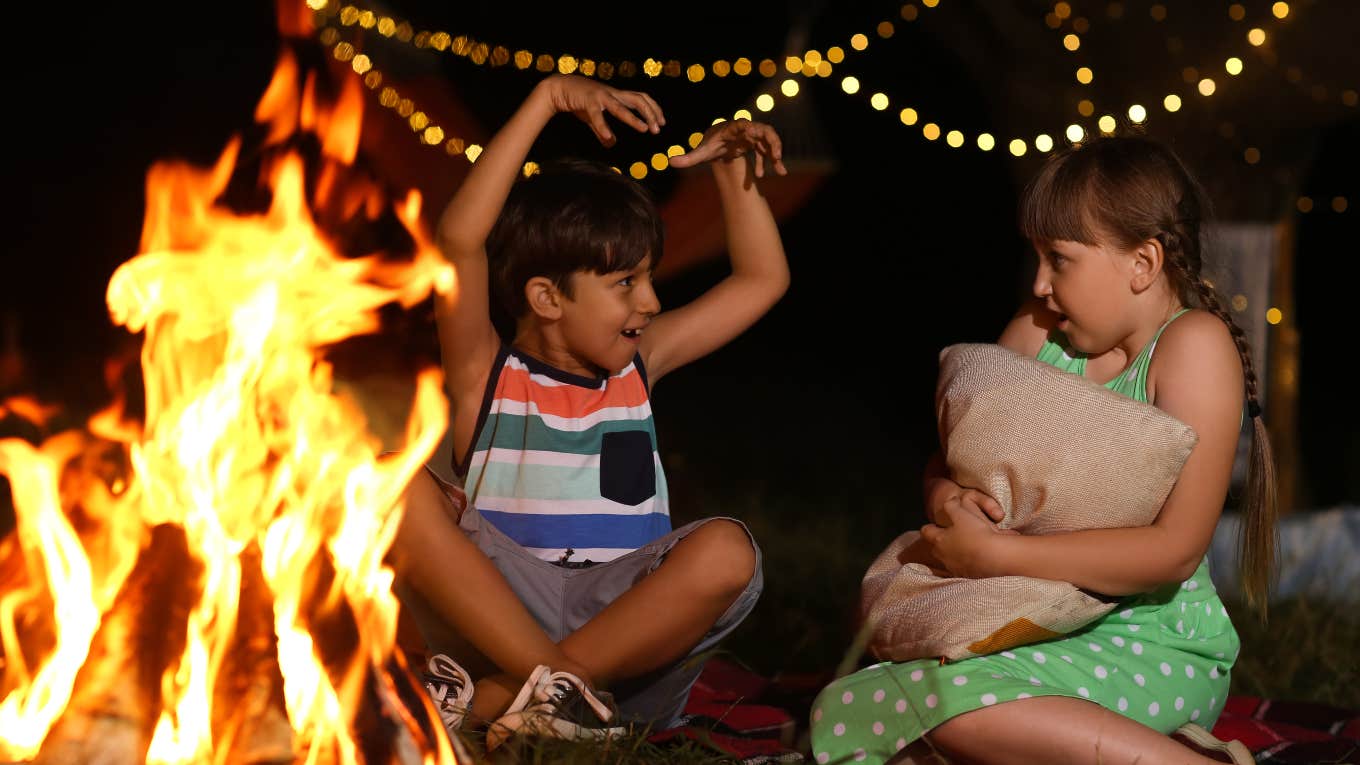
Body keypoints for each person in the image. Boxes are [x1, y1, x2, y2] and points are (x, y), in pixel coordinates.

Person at [809, 136, 1277, 765]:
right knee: (863, 700)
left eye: (1060, 259)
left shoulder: (1191, 346)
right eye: (1036, 257)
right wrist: (950, 499)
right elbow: (949, 460)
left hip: (1147, 640)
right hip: (1025, 620)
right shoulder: (1038, 331)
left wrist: (999, 552)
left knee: (942, 702)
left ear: (1143, 262)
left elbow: (1175, 550)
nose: (1040, 283)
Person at [387, 73, 790, 751]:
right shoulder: (484, 375)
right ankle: (553, 688)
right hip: (500, 616)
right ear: (547, 297)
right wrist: (545, 100)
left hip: (627, 640)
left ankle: (513, 695)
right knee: (392, 490)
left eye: (649, 279)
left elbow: (761, 280)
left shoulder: (641, 365)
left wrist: (731, 174)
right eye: (626, 283)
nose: (652, 303)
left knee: (728, 549)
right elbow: (459, 240)